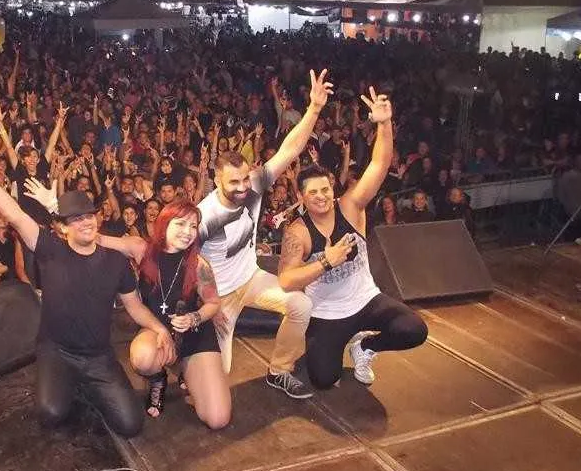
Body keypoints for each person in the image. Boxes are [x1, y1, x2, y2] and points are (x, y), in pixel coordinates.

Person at [0, 143, 174, 439]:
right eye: (76, 219)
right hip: (56, 351)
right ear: (63, 228)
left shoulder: (115, 262)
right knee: (51, 414)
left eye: (88, 215)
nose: (85, 222)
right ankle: (67, 383)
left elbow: (135, 306)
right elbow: (15, 215)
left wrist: (159, 328)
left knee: (131, 425)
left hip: (98, 356)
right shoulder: (49, 249)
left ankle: (87, 385)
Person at [29, 182, 229, 429]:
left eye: (193, 226)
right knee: (143, 358)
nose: (187, 231)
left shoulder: (200, 265)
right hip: (154, 330)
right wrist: (54, 208)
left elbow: (213, 302)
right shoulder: (141, 248)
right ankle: (158, 378)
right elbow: (94, 236)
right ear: (164, 224)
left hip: (193, 336)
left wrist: (196, 317)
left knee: (217, 419)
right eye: (180, 224)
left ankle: (189, 373)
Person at [278, 88, 428, 390]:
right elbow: (286, 281)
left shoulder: (349, 206)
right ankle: (333, 344)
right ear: (301, 197)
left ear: (332, 189)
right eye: (312, 193)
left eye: (325, 190)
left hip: (365, 300)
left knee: (414, 329)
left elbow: (379, 165)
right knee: (323, 379)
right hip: (327, 312)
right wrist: (324, 261)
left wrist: (384, 124)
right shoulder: (298, 231)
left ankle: (366, 348)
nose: (320, 197)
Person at [198, 69, 332, 399]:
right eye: (234, 183)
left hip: (252, 278)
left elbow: (289, 150)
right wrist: (206, 307)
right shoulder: (205, 215)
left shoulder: (255, 184)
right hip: (221, 298)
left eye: (245, 179)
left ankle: (279, 370)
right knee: (217, 380)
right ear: (217, 182)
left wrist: (314, 109)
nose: (243, 187)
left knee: (300, 305)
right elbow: (185, 261)